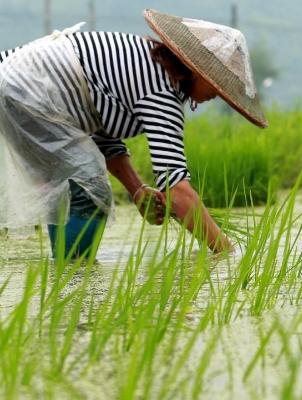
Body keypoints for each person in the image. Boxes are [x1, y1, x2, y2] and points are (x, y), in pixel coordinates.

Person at [0, 9, 268, 258]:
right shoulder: (160, 91)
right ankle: (72, 278)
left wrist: (137, 190)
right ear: (197, 70)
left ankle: (69, 272)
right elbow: (176, 189)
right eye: (217, 83)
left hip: (19, 82)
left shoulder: (146, 65)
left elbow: (101, 133)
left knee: (79, 183)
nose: (218, 94)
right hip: (24, 90)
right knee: (87, 191)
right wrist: (227, 251)